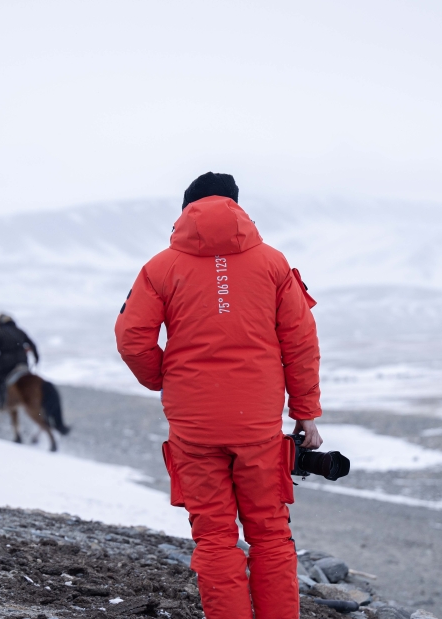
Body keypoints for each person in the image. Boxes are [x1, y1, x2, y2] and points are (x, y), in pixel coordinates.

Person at [115, 172, 322, 619]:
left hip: (194, 424)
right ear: (238, 207)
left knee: (214, 538)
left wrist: (164, 379)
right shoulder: (273, 263)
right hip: (257, 424)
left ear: (185, 210)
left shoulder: (160, 268)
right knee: (270, 535)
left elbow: (132, 340)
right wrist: (305, 412)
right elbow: (301, 341)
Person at [0, 313, 40, 409]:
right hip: (23, 363)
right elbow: (32, 344)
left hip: (7, 365)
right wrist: (36, 358)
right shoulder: (20, 331)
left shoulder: (0, 333)